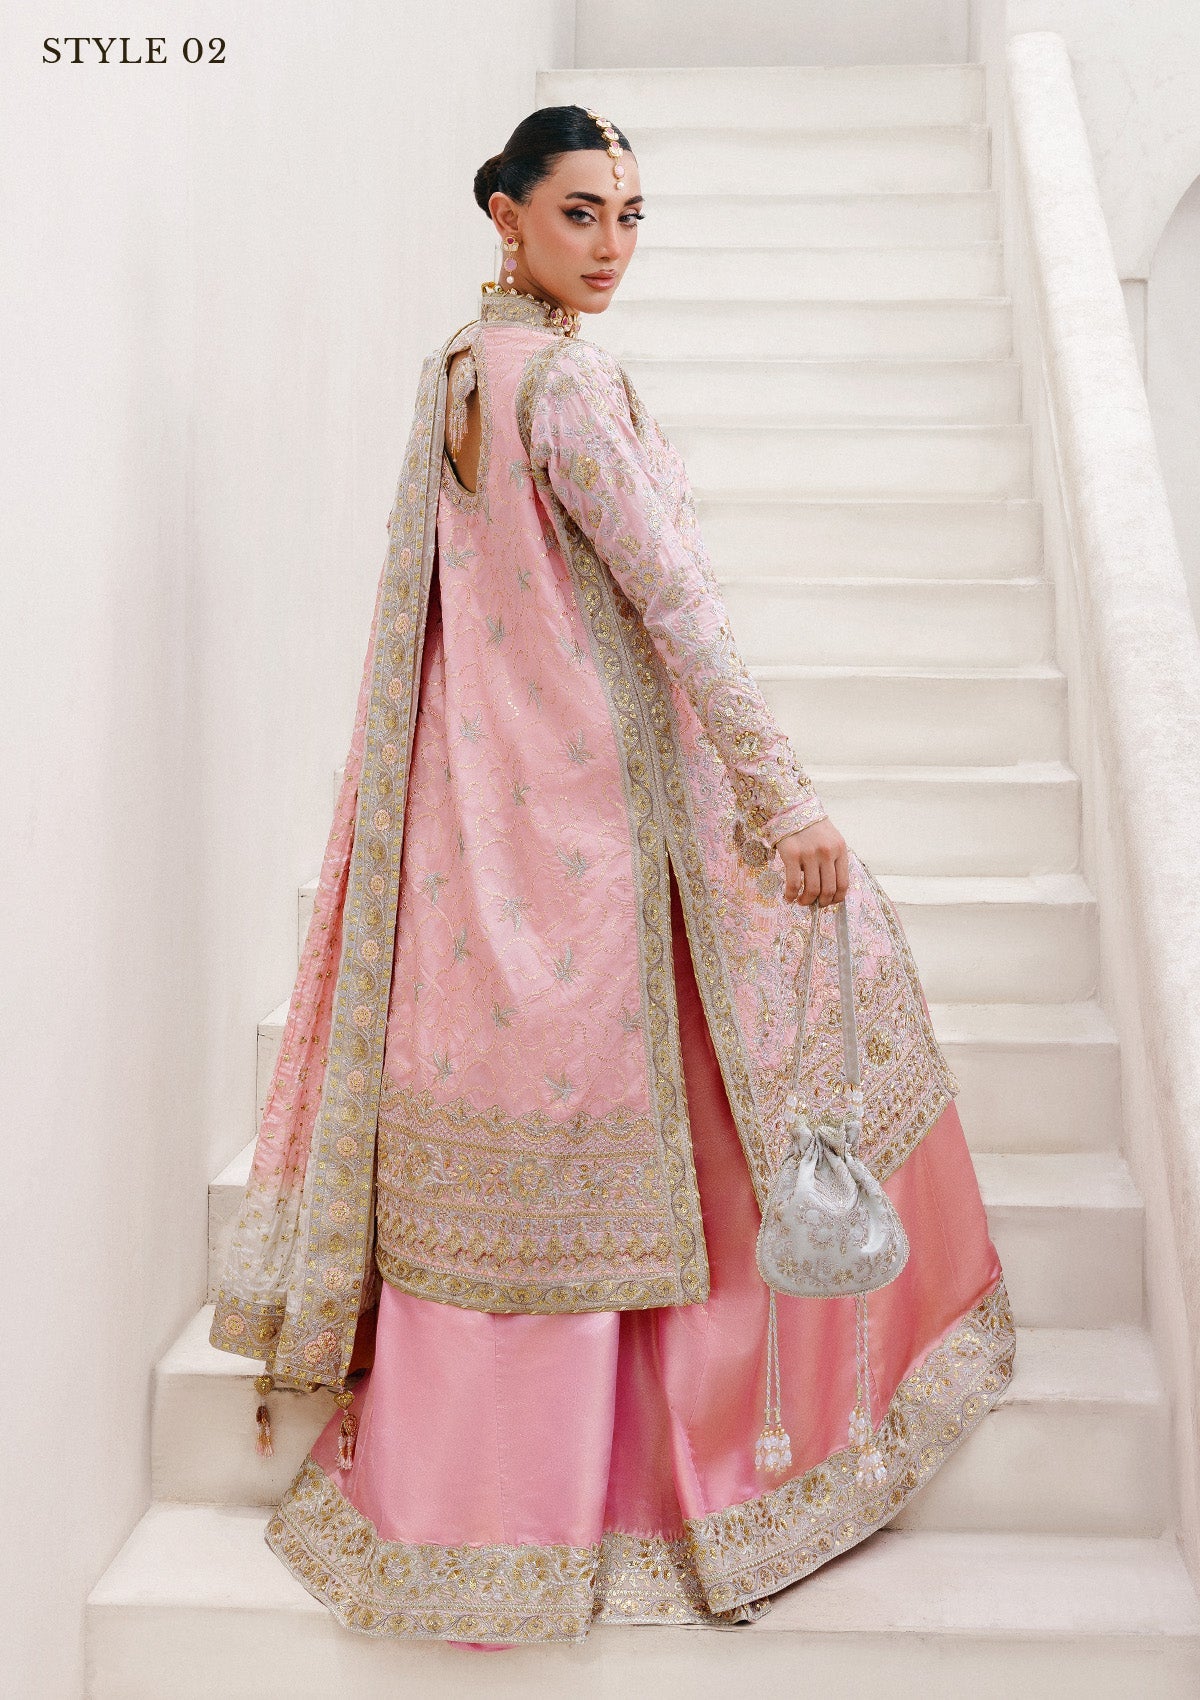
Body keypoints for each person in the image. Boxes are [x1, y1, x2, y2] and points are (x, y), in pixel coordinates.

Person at [209, 103, 1016, 1647]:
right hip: (601, 810)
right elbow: (677, 606)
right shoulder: (566, 386)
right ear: (504, 214)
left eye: (630, 216)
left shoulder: (462, 369)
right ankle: (728, 1457)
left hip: (504, 819)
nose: (611, 246)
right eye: (580, 213)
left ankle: (498, 1481)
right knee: (798, 988)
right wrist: (783, 800)